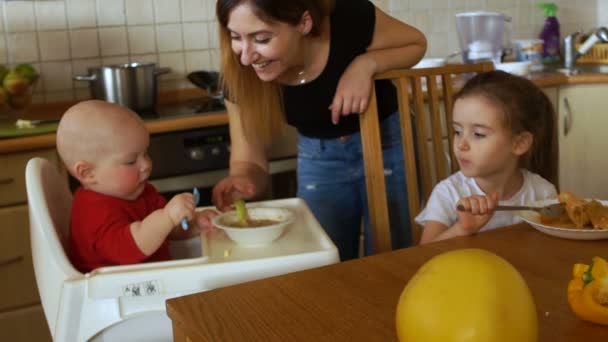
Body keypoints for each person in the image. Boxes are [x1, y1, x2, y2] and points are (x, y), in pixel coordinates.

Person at [211, 0, 427, 260]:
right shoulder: (239, 74)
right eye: (236, 37)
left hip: (387, 142)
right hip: (318, 155)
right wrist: (242, 181)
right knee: (324, 260)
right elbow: (247, 160)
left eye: (262, 39)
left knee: (394, 258)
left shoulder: (348, 16)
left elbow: (416, 44)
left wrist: (366, 64)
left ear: (304, 22)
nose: (245, 57)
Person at [56, 100, 216, 273]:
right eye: (131, 161)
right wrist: (168, 216)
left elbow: (168, 231)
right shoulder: (93, 212)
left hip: (152, 283)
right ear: (87, 173)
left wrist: (194, 224)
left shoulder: (139, 192)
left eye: (145, 153)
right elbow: (131, 248)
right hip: (116, 295)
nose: (146, 164)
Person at [417, 70, 559, 244]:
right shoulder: (448, 194)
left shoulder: (543, 193)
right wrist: (462, 229)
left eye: (478, 134)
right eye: (457, 131)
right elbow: (423, 253)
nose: (461, 144)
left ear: (519, 143)